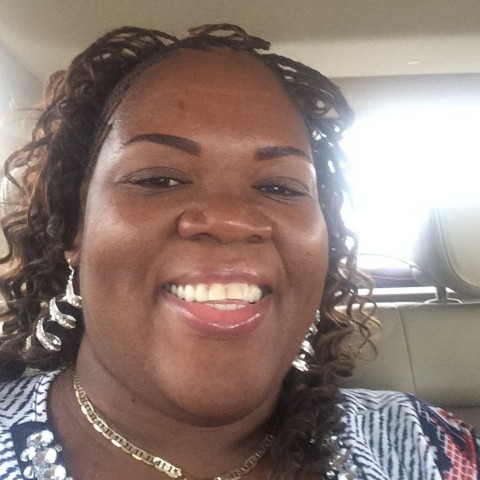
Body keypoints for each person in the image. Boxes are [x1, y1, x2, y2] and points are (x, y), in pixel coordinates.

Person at [0, 24, 477, 480]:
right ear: (76, 227)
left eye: (280, 187)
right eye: (159, 179)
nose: (231, 219)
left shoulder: (426, 445)